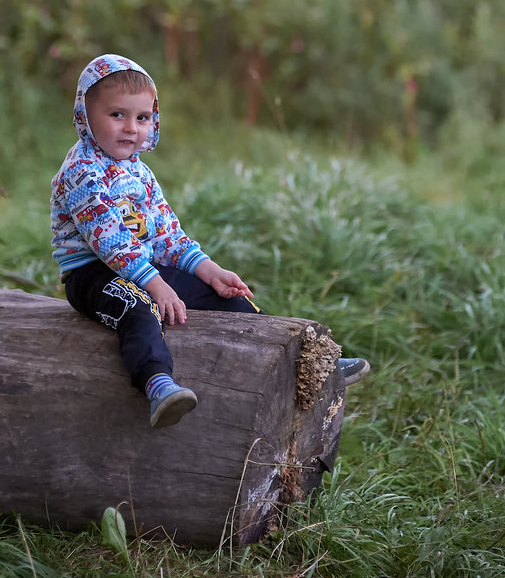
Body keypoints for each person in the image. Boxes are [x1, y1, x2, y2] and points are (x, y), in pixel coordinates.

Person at [51, 54, 369, 429]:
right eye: (116, 115)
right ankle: (157, 384)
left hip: (142, 267)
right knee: (137, 307)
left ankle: (308, 361)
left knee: (226, 296)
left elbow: (168, 233)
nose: (131, 128)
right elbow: (111, 242)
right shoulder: (81, 171)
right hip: (93, 274)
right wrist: (157, 285)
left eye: (142, 118)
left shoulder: (139, 171)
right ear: (85, 116)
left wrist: (209, 270)